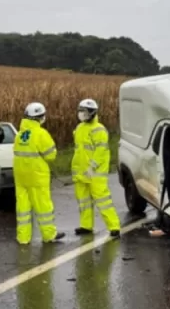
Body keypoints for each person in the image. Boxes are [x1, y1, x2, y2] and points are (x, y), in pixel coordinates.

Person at [13, 102, 65, 245]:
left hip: (20, 176)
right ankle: (49, 235)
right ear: (40, 117)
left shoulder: (19, 134)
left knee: (23, 208)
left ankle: (23, 238)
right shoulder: (41, 133)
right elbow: (51, 155)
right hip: (37, 176)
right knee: (43, 206)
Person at [71, 99, 121, 238]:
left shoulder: (99, 129)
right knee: (84, 202)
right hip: (81, 172)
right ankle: (86, 226)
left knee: (103, 201)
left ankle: (114, 227)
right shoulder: (79, 128)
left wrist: (92, 167)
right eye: (80, 110)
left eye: (84, 111)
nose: (81, 114)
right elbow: (79, 150)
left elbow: (100, 151)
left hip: (95, 173)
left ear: (92, 113)